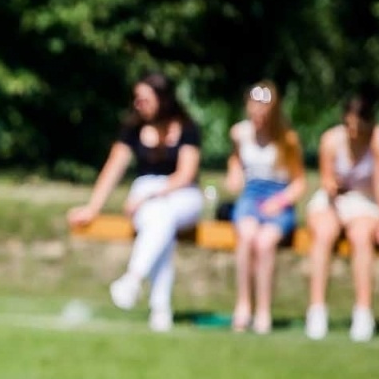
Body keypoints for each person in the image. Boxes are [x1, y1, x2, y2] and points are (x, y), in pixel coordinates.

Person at [67, 72, 203, 331]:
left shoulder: (187, 128)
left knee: (162, 215)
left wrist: (151, 194)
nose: (138, 104)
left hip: (181, 195)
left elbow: (185, 174)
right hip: (149, 201)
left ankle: (134, 279)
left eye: (144, 99)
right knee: (161, 223)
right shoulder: (133, 128)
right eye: (137, 99)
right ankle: (159, 307)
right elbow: (113, 168)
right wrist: (92, 208)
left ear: (162, 98)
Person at [304, 93, 379, 342]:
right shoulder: (331, 140)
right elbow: (325, 178)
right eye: (349, 126)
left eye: (358, 127)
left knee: (361, 236)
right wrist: (334, 187)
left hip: (365, 201)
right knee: (323, 234)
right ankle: (317, 310)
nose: (353, 132)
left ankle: (363, 312)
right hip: (333, 200)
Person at [225, 81, 305, 334]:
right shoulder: (240, 134)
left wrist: (279, 202)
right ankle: (243, 305)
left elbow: (299, 182)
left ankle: (263, 311)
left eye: (264, 112)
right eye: (254, 110)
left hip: (277, 198)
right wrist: (233, 176)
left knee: (265, 243)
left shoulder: (287, 140)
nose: (258, 117)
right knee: (247, 236)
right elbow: (236, 163)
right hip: (250, 197)